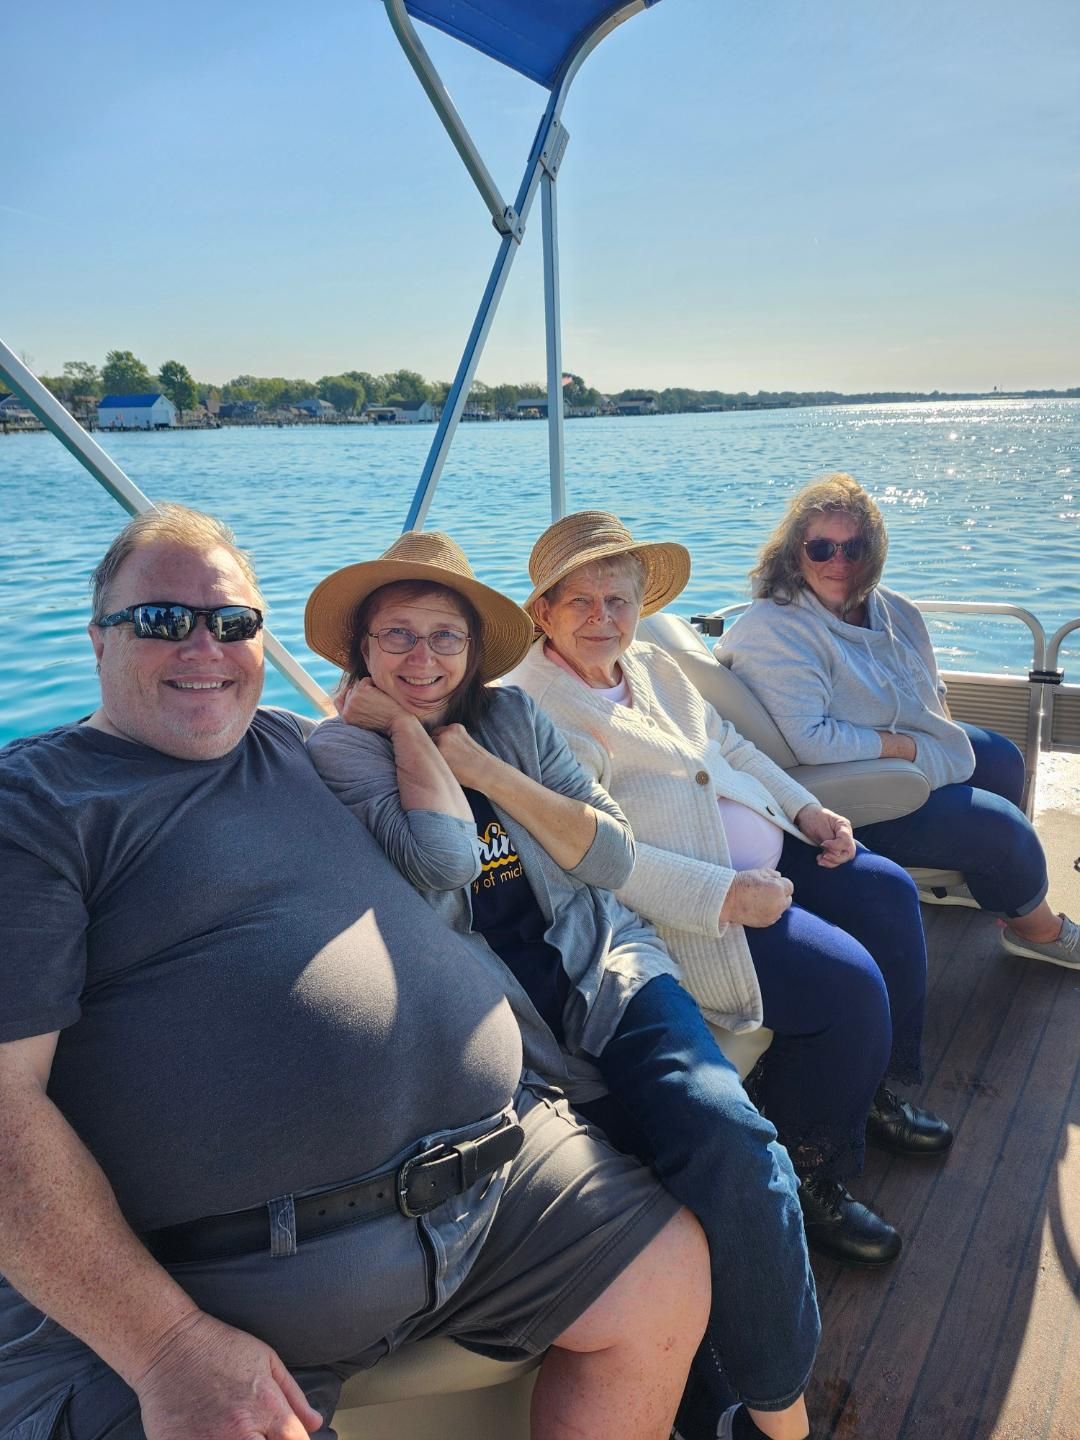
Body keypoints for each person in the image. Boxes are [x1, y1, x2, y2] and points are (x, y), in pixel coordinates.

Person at [0, 503, 712, 1440]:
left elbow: (451, 861)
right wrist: (166, 1342)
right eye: (164, 620)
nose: (205, 646)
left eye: (234, 622)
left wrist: (406, 730)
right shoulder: (41, 805)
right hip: (236, 1277)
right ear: (99, 639)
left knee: (668, 1270)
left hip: (499, 1178)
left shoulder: (301, 749)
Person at [304, 531, 818, 1440]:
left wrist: (484, 767)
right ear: (361, 652)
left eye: (445, 636)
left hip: (612, 970)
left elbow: (613, 854)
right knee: (652, 1199)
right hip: (504, 1033)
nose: (423, 658)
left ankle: (782, 1418)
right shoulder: (342, 755)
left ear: (475, 646)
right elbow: (441, 855)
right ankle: (701, 1402)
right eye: (397, 637)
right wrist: (405, 734)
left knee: (735, 1145)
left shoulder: (514, 722)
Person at [504, 510, 954, 1272]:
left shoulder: (650, 668)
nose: (602, 618)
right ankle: (811, 1175)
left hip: (772, 852)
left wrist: (807, 811)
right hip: (695, 909)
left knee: (886, 894)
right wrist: (723, 897)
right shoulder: (537, 710)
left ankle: (871, 1089)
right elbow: (590, 854)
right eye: (579, 602)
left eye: (617, 600)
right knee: (848, 987)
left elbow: (734, 748)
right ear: (543, 612)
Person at [717, 472, 1078, 971]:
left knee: (1001, 760)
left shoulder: (891, 611)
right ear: (795, 553)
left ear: (874, 551)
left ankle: (963, 882)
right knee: (1002, 830)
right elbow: (809, 740)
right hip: (841, 784)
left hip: (891, 746)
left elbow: (934, 693)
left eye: (854, 547)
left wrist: (936, 737)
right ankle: (1036, 932)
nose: (838, 561)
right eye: (821, 547)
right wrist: (910, 749)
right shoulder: (775, 632)